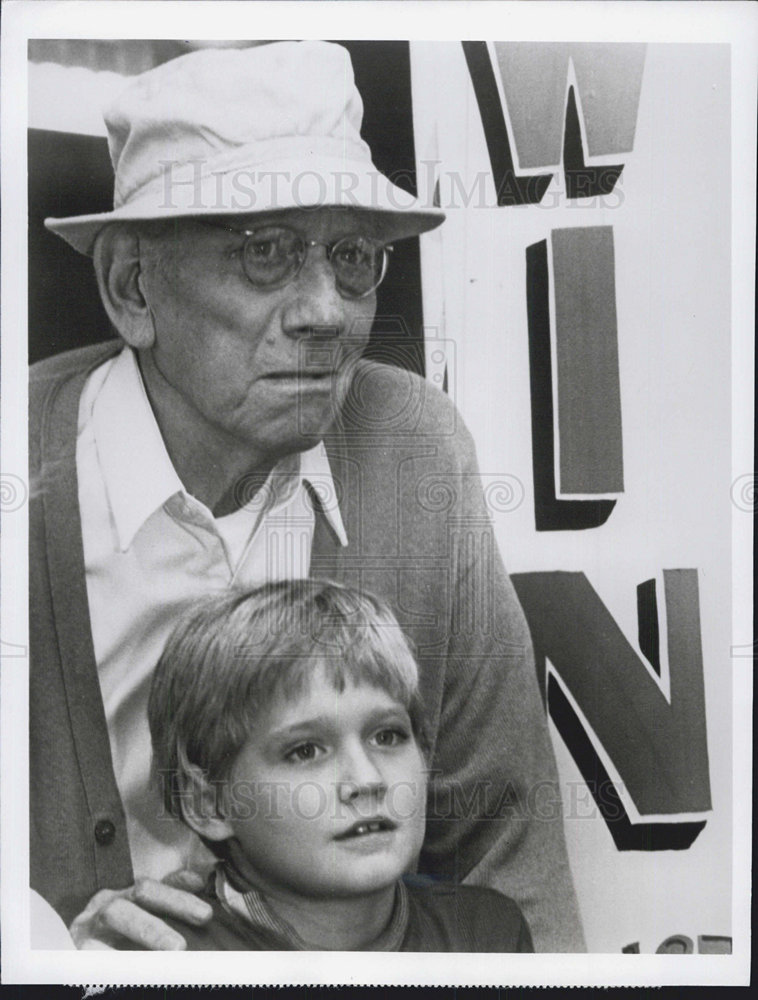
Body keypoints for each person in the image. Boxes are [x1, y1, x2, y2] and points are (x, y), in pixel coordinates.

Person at [30, 40, 584, 951]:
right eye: (266, 253)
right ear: (132, 286)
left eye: (353, 256)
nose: (327, 310)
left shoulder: (414, 448)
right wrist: (46, 954)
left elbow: (507, 850)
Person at [145, 579, 534, 952]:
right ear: (208, 804)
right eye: (306, 751)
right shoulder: (163, 956)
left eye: (387, 736)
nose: (366, 780)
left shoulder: (487, 932)